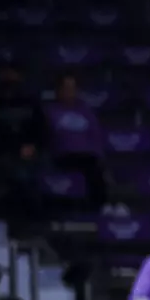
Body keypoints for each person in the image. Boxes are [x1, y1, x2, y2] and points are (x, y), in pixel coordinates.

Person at [0, 64, 45, 228]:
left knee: (39, 172)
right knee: (19, 176)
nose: (10, 77)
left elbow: (42, 131)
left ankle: (36, 223)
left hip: (31, 154)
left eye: (13, 73)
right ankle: (23, 224)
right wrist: (15, 148)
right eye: (6, 73)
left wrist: (33, 146)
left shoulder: (30, 102)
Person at [45, 73, 107, 211]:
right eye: (65, 88)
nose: (69, 92)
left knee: (95, 170)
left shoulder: (86, 111)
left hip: (86, 156)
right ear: (58, 90)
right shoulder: (49, 111)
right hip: (61, 155)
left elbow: (96, 136)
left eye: (72, 88)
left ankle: (97, 210)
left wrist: (99, 155)